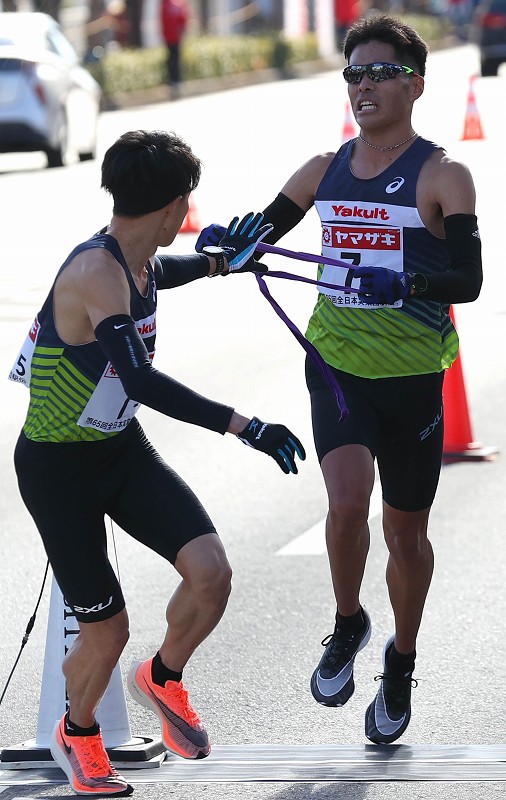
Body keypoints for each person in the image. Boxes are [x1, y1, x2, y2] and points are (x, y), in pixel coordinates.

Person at [196, 14, 482, 744]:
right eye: (353, 73)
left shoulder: (444, 173)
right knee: (348, 504)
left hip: (414, 376)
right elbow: (258, 235)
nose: (363, 86)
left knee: (405, 533)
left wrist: (407, 283)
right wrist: (226, 244)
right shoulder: (322, 168)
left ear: (415, 84)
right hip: (336, 363)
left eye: (379, 73)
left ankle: (400, 661)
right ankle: (349, 621)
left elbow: (468, 279)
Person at [10, 129, 305, 796]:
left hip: (118, 451)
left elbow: (158, 275)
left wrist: (222, 262)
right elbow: (139, 380)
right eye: (189, 205)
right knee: (107, 629)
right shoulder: (93, 271)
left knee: (211, 574)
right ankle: (79, 734)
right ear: (176, 207)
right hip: (58, 469)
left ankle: (163, 677)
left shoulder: (134, 259)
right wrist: (245, 425)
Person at [160, 0, 188, 98]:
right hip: (169, 39)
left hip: (175, 39)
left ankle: (176, 83)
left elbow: (183, 20)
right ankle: (173, 82)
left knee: (175, 61)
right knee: (171, 61)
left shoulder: (176, 4)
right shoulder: (165, 5)